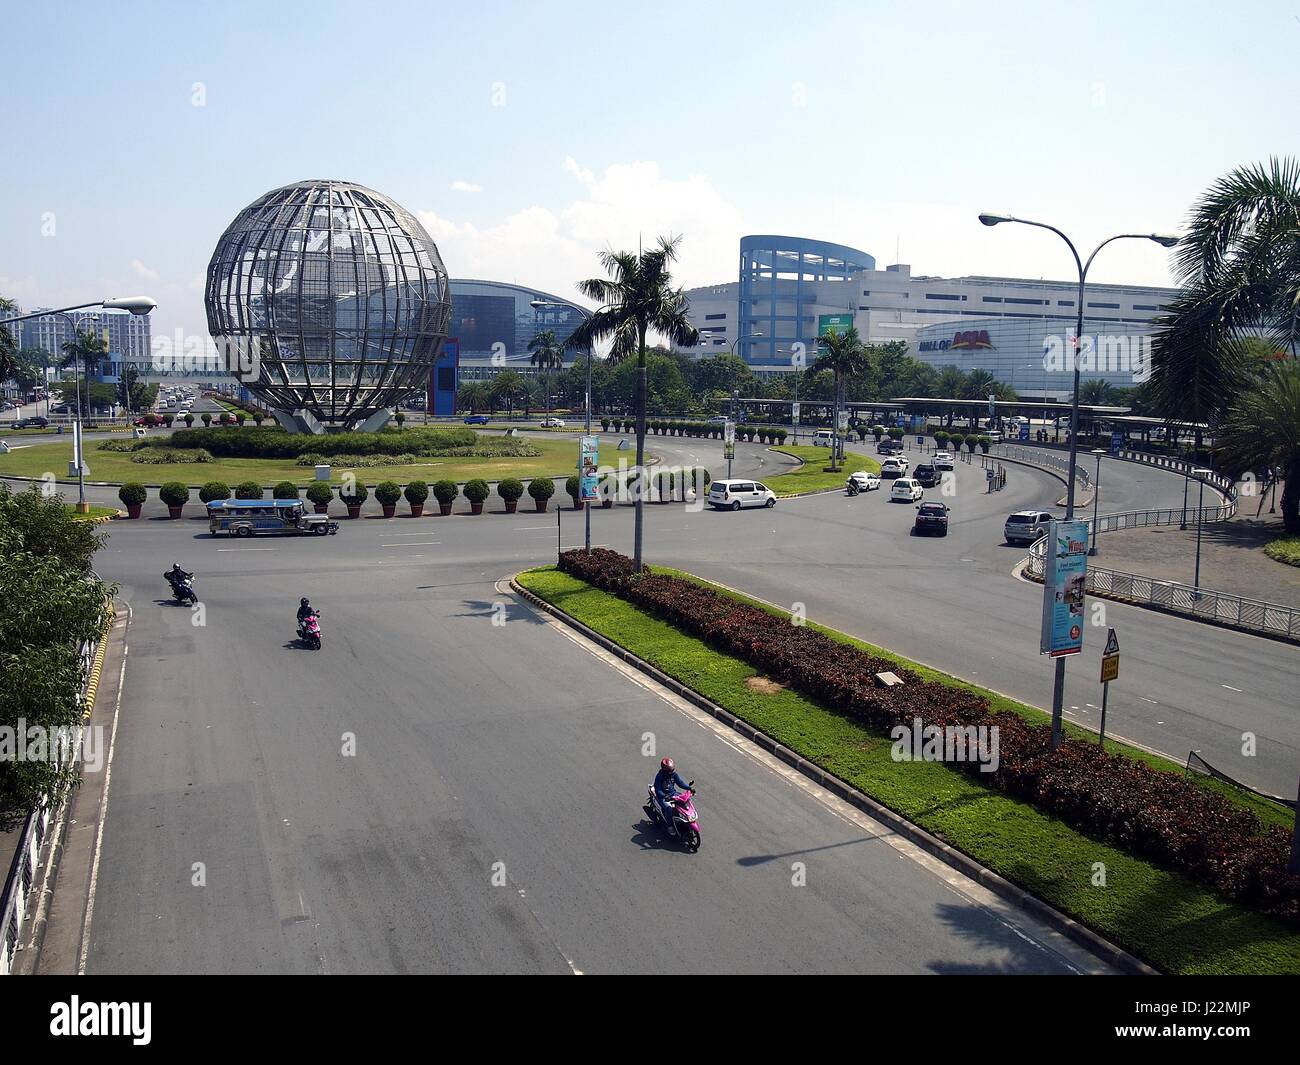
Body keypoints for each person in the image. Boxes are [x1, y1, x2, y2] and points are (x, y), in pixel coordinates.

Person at [653, 757, 692, 835]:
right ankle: (670, 826)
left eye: (672, 770)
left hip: (673, 794)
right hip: (663, 797)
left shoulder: (674, 775)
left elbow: (680, 783)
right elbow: (658, 790)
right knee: (668, 808)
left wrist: (689, 788)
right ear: (665, 770)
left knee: (684, 801)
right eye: (670, 771)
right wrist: (664, 796)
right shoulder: (659, 777)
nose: (671, 772)